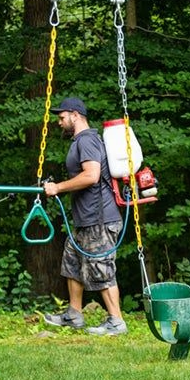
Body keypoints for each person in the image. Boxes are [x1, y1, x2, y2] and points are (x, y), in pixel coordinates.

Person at [42, 97, 128, 336]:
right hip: (84, 220)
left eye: (61, 118)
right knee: (72, 265)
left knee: (101, 269)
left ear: (75, 115)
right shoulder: (81, 141)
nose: (59, 122)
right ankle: (74, 314)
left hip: (99, 220)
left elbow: (91, 175)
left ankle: (116, 321)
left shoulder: (88, 140)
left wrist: (58, 188)